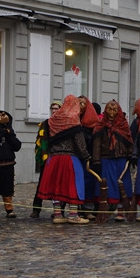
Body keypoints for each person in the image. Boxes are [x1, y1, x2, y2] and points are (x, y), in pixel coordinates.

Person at [37, 94, 91, 224]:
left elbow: (45, 140)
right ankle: (73, 215)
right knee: (73, 185)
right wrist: (86, 156)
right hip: (70, 158)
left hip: (54, 158)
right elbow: (80, 142)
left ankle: (57, 214)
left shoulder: (51, 121)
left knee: (57, 186)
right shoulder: (73, 120)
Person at [91, 99, 134, 222]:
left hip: (121, 158)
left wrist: (130, 155)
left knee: (122, 185)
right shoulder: (100, 124)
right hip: (106, 158)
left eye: (114, 110)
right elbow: (96, 143)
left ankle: (120, 211)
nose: (112, 112)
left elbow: (129, 141)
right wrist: (96, 160)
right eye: (109, 109)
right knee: (107, 186)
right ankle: (106, 210)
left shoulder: (123, 124)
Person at [30, 101, 61, 219]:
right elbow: (40, 141)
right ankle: (36, 209)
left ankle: (59, 210)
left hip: (59, 157)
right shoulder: (45, 124)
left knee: (58, 185)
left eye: (57, 108)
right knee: (42, 184)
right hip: (47, 158)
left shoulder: (63, 124)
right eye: (52, 108)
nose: (54, 111)